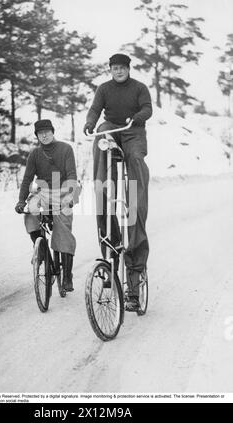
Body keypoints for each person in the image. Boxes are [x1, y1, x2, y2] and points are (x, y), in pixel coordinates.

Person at [83, 53, 152, 312]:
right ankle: (104, 187)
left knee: (135, 157)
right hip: (112, 128)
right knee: (101, 136)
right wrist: (91, 122)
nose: (119, 71)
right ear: (110, 69)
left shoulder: (139, 88)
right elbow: (94, 109)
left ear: (128, 69)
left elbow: (148, 108)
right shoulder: (104, 88)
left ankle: (135, 192)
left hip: (133, 130)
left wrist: (139, 118)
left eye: (123, 68)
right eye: (115, 68)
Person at [15, 119, 78, 292]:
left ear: (53, 131)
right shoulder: (35, 154)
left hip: (64, 190)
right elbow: (28, 178)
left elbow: (72, 174)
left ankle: (67, 277)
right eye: (40, 133)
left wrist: (70, 195)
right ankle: (43, 253)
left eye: (47, 132)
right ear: (37, 136)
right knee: (30, 212)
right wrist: (21, 201)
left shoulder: (65, 149)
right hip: (43, 192)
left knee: (62, 230)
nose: (44, 135)